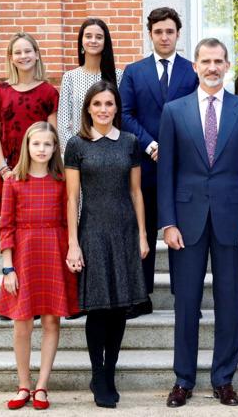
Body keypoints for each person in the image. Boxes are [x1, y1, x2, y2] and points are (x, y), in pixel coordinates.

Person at [158, 38, 238, 408]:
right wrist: (167, 222)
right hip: (185, 223)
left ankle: (223, 379)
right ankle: (183, 379)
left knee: (229, 300)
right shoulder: (174, 111)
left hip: (232, 220)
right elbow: (166, 172)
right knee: (186, 302)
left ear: (228, 64)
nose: (213, 67)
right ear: (196, 66)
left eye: (219, 61)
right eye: (206, 61)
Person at [65, 81, 149, 408]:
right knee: (99, 308)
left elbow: (136, 192)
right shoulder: (77, 145)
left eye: (109, 104)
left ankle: (109, 372)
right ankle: (98, 374)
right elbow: (72, 198)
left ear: (117, 108)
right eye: (97, 104)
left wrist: (143, 234)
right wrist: (73, 243)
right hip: (93, 231)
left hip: (125, 230)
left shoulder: (129, 142)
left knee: (119, 310)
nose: (103, 110)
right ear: (88, 108)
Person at [120, 7, 199, 319]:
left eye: (170, 31)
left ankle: (186, 297)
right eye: (158, 32)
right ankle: (141, 296)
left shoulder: (192, 71)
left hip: (183, 166)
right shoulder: (134, 71)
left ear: (178, 34)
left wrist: (175, 147)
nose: (164, 37)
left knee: (184, 232)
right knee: (145, 227)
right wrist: (152, 144)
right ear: (150, 34)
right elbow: (124, 114)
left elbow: (197, 110)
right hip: (146, 164)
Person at [0, 122, 78, 410]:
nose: (42, 149)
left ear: (56, 147)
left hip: (54, 252)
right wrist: (8, 268)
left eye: (48, 144)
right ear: (27, 147)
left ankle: (42, 386)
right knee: (22, 323)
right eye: (36, 144)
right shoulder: (13, 181)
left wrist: (72, 248)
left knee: (51, 320)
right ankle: (23, 384)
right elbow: (6, 226)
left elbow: (70, 219)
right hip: (24, 256)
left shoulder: (61, 181)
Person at [0, 32, 58, 219]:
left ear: (36, 54)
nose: (23, 56)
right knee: (8, 227)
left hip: (39, 167)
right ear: (11, 57)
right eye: (18, 52)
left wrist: (47, 169)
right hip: (8, 168)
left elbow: (53, 134)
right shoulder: (0, 92)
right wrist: (4, 170)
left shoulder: (48, 92)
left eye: (28, 51)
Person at [58, 18, 123, 153]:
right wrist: (75, 152)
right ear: (81, 40)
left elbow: (122, 117)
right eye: (88, 36)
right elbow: (63, 123)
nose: (93, 40)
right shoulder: (70, 77)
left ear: (105, 42)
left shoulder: (119, 76)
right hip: (79, 153)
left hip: (112, 151)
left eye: (98, 37)